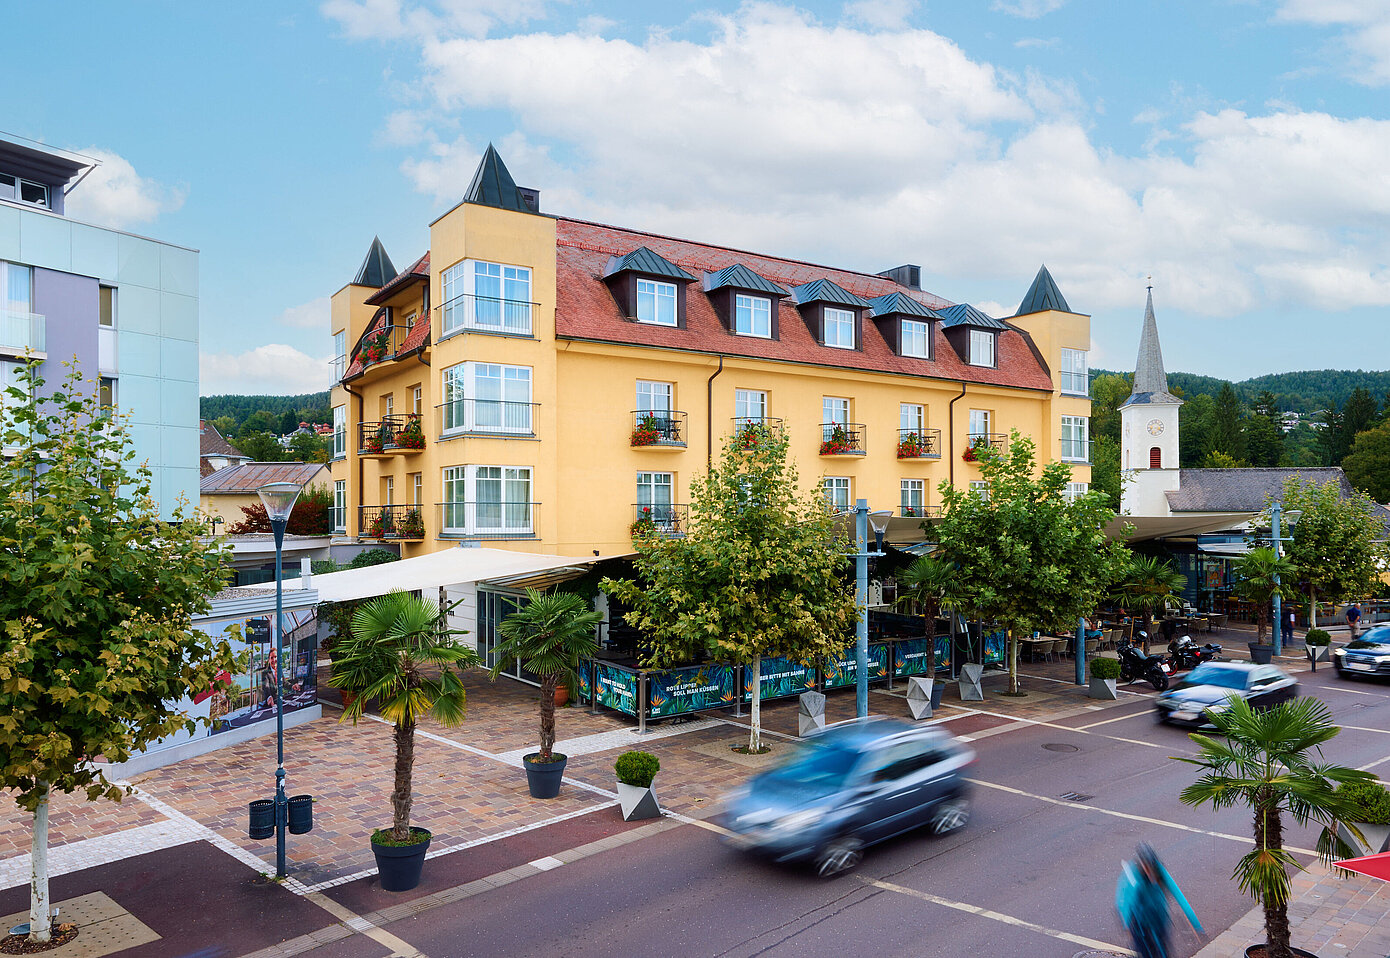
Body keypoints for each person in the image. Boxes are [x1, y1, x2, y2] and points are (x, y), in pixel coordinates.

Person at [1116, 843, 1202, 958]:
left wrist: (1196, 924)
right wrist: (1126, 925)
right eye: (1146, 867)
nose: (1149, 871)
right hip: (1140, 923)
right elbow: (1126, 902)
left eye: (1151, 866)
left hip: (1159, 919)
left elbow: (1178, 895)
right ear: (1141, 864)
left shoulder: (1160, 871)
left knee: (1163, 952)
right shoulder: (1134, 876)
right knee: (1145, 952)